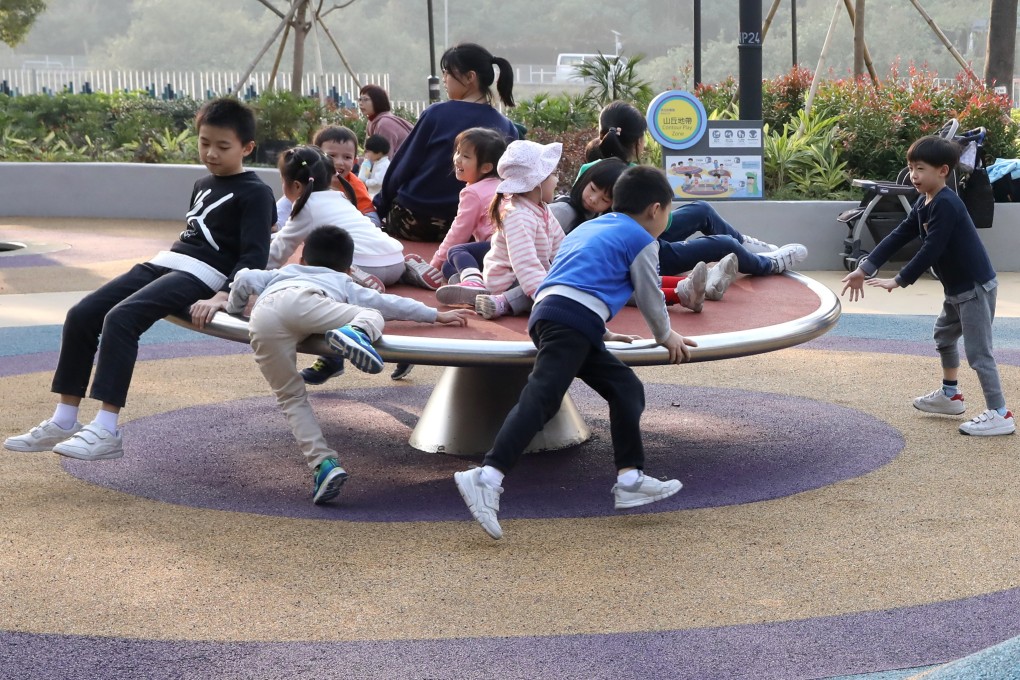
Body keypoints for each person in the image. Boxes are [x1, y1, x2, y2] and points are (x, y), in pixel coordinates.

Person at [3, 98, 277, 459]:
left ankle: (106, 429)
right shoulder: (202, 183)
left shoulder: (257, 193)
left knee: (122, 319)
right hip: (166, 262)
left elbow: (254, 255)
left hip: (203, 275)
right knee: (82, 314)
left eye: (223, 146)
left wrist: (224, 294)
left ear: (247, 147)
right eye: (204, 143)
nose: (211, 153)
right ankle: (65, 418)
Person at [453, 166, 696, 540]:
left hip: (553, 314)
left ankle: (630, 478)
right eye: (669, 212)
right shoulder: (642, 239)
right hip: (572, 320)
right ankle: (488, 475)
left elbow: (573, 276)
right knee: (543, 397)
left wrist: (599, 330)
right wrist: (666, 336)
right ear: (655, 209)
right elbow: (650, 294)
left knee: (625, 387)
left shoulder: (591, 227)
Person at [229, 225, 470, 504]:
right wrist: (433, 315)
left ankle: (323, 463)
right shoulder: (343, 281)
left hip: (265, 315)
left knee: (291, 398)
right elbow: (387, 303)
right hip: (310, 304)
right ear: (348, 268)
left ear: (302, 259)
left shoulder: (282, 273)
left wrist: (234, 310)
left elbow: (244, 278)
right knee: (371, 313)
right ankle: (356, 332)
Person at [841, 135, 1014, 437]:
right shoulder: (925, 201)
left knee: (979, 353)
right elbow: (900, 234)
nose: (913, 175)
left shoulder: (947, 204)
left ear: (943, 171)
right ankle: (950, 396)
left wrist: (899, 279)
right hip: (956, 288)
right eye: (911, 168)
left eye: (920, 168)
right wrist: (864, 268)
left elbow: (932, 248)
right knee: (944, 337)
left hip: (974, 288)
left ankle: (1000, 413)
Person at [269, 145, 444, 387]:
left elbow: (278, 252)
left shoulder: (304, 207)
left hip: (363, 266)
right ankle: (405, 273)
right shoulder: (340, 197)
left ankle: (331, 357)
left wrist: (250, 268)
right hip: (392, 257)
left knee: (321, 288)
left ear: (296, 186)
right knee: (356, 283)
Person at [374, 42, 520, 242]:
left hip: (413, 220)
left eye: (448, 72)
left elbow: (403, 166)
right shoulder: (507, 127)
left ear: (470, 77)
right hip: (469, 229)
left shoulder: (436, 114)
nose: (444, 78)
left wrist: (380, 206)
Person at [436, 140, 563, 320]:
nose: (557, 180)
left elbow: (562, 248)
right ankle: (502, 301)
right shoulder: (518, 216)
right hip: (508, 281)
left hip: (524, 274)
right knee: (547, 287)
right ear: (537, 181)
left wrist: (573, 272)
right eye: (553, 174)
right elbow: (526, 265)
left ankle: (470, 283)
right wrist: (549, 299)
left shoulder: (543, 209)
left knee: (558, 281)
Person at [430, 127, 507, 274]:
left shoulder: (473, 193)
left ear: (486, 168)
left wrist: (436, 263)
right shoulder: (500, 184)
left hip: (496, 248)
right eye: (458, 152)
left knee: (449, 263)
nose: (457, 159)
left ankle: (473, 280)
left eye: (466, 156)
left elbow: (459, 232)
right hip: (514, 248)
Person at [358, 84, 414, 158]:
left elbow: (386, 158)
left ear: (377, 101)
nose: (360, 103)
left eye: (365, 99)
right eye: (360, 99)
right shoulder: (371, 122)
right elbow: (368, 154)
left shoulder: (385, 124)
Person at [358, 134, 391, 198]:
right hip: (372, 193)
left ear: (378, 152)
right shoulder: (378, 162)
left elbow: (378, 182)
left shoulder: (384, 165)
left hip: (377, 196)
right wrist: (367, 174)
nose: (367, 154)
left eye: (368, 151)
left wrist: (366, 182)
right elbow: (374, 176)